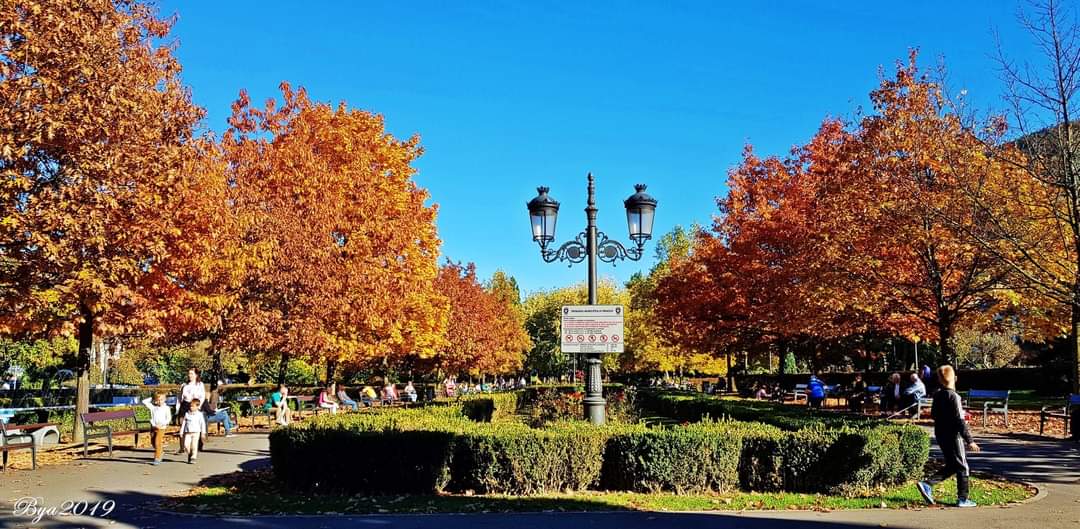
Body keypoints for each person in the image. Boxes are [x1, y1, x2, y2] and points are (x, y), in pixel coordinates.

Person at [918, 365, 980, 508]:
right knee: (963, 466)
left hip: (940, 434)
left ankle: (927, 484)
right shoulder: (954, 396)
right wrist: (969, 440)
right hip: (953, 435)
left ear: (939, 380)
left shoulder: (938, 395)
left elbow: (933, 414)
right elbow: (960, 420)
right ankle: (963, 499)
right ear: (955, 379)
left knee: (953, 465)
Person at [142, 392, 172, 465]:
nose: (159, 401)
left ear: (165, 400)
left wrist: (162, 424)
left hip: (161, 427)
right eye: (158, 400)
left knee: (157, 442)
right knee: (153, 442)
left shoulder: (166, 408)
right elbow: (144, 402)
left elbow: (168, 418)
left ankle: (157, 458)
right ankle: (160, 451)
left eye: (161, 399)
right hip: (154, 427)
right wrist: (153, 397)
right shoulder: (153, 407)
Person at [179, 398, 207, 464]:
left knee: (194, 445)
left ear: (197, 406)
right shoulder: (187, 414)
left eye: (193, 406)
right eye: (190, 406)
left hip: (196, 432)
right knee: (186, 445)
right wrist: (181, 431)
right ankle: (190, 453)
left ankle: (194, 457)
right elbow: (184, 423)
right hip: (188, 432)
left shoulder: (199, 414)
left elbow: (202, 423)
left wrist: (203, 432)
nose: (191, 407)